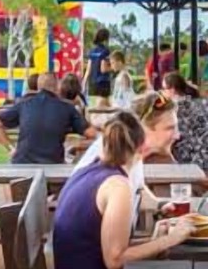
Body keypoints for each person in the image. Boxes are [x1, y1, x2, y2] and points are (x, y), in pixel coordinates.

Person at [53, 111, 195, 269]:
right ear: (141, 148)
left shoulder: (87, 171)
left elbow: (105, 246)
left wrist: (157, 241)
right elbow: (114, 260)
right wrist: (171, 239)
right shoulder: (118, 186)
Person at [74, 91, 181, 228]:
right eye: (170, 128)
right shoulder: (115, 154)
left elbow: (138, 190)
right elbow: (114, 249)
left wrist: (160, 205)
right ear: (144, 128)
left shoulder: (131, 149)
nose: (177, 135)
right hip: (89, 245)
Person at [0, 73, 96, 164]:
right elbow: (93, 134)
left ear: (38, 86)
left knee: (9, 182)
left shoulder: (24, 104)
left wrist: (11, 149)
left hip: (22, 164)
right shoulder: (67, 108)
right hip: (53, 165)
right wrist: (76, 145)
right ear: (57, 87)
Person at [160, 72, 208, 171]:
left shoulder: (178, 109)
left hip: (206, 158)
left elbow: (172, 137)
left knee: (171, 152)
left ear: (172, 90)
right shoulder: (194, 102)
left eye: (163, 88)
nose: (162, 92)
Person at [85, 28, 113, 108]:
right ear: (106, 38)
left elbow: (88, 69)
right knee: (105, 106)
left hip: (94, 83)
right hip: (103, 82)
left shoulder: (92, 51)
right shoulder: (105, 51)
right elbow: (103, 69)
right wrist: (113, 68)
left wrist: (84, 82)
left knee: (99, 104)